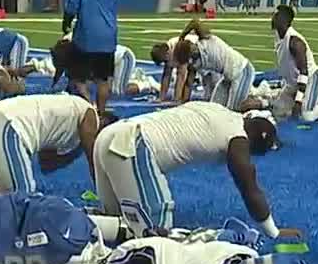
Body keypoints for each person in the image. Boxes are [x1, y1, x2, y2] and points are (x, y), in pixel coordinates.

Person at [91, 102, 283, 241]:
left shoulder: (218, 109)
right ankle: (74, 224)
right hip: (131, 144)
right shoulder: (238, 137)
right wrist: (273, 230)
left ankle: (75, 224)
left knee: (114, 222)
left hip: (109, 135)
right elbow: (249, 186)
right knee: (158, 238)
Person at [0, 93, 101, 194]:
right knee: (23, 197)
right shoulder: (90, 114)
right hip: (6, 125)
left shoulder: (69, 111)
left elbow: (46, 164)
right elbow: (93, 159)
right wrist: (102, 191)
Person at [62, 0, 120, 116]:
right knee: (103, 80)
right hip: (109, 37)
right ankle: (101, 113)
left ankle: (89, 109)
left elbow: (71, 7)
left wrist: (66, 24)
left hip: (85, 37)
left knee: (77, 78)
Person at [173, 20, 256, 111]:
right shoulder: (195, 62)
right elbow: (189, 83)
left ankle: (263, 103)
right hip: (228, 77)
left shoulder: (206, 40)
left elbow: (195, 23)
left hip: (242, 71)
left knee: (234, 109)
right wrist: (183, 106)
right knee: (214, 108)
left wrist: (182, 35)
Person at [271, 5, 318, 122]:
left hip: (310, 79)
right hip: (293, 82)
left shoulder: (295, 41)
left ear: (284, 20)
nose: (272, 18)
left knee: (306, 116)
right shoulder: (279, 36)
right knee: (277, 111)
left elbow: (304, 72)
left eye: (276, 15)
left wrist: (298, 100)